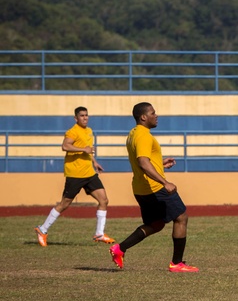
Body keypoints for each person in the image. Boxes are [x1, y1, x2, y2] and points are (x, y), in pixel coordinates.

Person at [109, 102, 198, 273]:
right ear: (143, 117)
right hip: (155, 187)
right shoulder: (143, 135)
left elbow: (144, 161)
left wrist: (160, 164)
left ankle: (120, 249)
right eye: (153, 113)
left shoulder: (133, 134)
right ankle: (177, 263)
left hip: (141, 188)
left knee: (156, 224)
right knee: (181, 217)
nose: (156, 115)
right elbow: (143, 162)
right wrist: (165, 182)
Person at [34, 107, 115, 247]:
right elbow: (65, 146)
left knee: (104, 200)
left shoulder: (88, 131)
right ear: (76, 118)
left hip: (89, 173)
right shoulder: (73, 131)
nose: (85, 118)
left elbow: (88, 150)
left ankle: (99, 233)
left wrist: (94, 162)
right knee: (64, 204)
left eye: (86, 115)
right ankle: (42, 229)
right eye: (82, 116)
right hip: (75, 174)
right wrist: (84, 149)